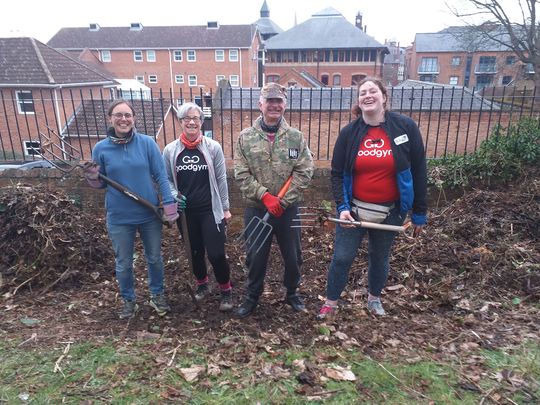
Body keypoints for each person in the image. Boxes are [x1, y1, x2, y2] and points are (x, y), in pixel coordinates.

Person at [318, 77, 427, 319]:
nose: (367, 95)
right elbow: (337, 174)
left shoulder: (405, 128)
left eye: (372, 91)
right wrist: (342, 207)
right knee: (342, 257)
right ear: (358, 101)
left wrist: (419, 212)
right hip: (354, 210)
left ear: (384, 96)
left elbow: (419, 169)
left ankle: (374, 299)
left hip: (391, 211)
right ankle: (330, 302)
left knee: (379, 256)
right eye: (362, 93)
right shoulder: (349, 133)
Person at [83, 99, 178, 320]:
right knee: (123, 262)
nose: (123, 119)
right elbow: (100, 183)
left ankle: (157, 295)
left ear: (134, 118)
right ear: (111, 118)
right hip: (119, 217)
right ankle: (128, 300)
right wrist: (93, 179)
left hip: (149, 214)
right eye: (118, 115)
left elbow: (161, 176)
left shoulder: (147, 144)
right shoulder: (101, 148)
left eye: (127, 115)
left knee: (154, 257)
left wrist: (169, 205)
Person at [234, 82, 314, 318]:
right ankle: (252, 296)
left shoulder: (296, 137)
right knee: (255, 257)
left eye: (278, 101)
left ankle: (292, 293)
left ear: (285, 105)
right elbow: (240, 174)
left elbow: (305, 171)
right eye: (270, 101)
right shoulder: (245, 138)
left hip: (288, 210)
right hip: (257, 210)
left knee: (293, 256)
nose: (274, 106)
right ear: (261, 104)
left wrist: (283, 201)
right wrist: (265, 196)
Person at [162, 102, 233, 311]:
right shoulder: (170, 150)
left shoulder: (213, 147)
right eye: (187, 118)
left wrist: (226, 207)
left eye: (196, 118)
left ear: (201, 122)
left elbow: (221, 179)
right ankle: (202, 284)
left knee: (217, 254)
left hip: (210, 210)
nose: (191, 122)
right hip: (186, 213)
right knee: (194, 252)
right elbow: (165, 179)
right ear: (181, 122)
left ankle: (226, 290)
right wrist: (174, 196)